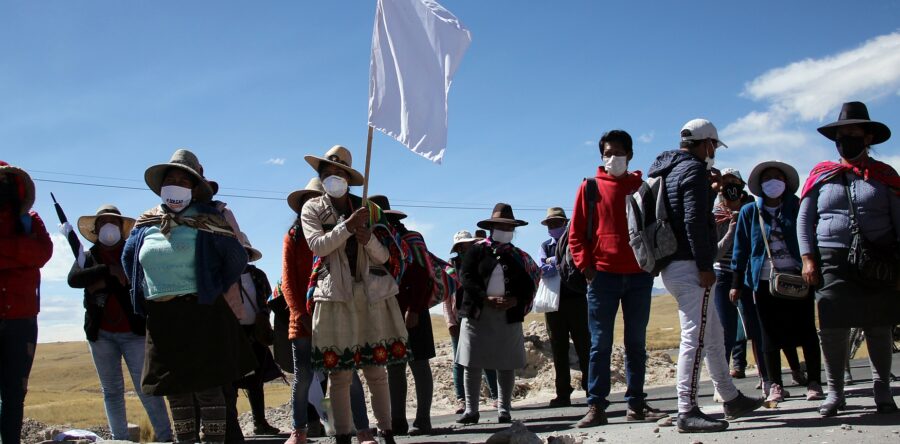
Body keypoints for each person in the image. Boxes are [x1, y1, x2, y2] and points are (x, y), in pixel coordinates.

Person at [123, 149, 255, 443]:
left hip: (202, 313)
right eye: (170, 179)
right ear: (160, 187)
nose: (176, 184)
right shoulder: (145, 223)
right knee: (176, 391)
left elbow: (236, 259)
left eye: (184, 180)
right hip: (163, 318)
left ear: (194, 188)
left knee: (209, 390)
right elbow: (128, 258)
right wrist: (145, 291)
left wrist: (212, 285)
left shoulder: (209, 218)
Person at [647, 120, 764, 433]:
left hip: (672, 264)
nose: (713, 151)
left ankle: (730, 396)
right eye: (713, 145)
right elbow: (695, 221)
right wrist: (703, 266)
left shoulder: (668, 169)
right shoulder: (694, 171)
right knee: (696, 338)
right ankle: (686, 409)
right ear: (707, 143)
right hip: (690, 265)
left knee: (712, 335)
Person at [300, 145, 411, 444]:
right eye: (327, 173)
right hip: (334, 297)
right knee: (340, 375)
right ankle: (343, 437)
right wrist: (347, 228)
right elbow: (318, 246)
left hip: (371, 296)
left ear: (348, 177)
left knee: (377, 371)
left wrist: (370, 240)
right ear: (321, 177)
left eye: (339, 172)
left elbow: (387, 257)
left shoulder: (370, 210)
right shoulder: (311, 209)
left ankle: (387, 432)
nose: (333, 177)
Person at [799, 101, 900, 416]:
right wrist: (807, 259)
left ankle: (882, 391)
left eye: (853, 134)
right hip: (833, 259)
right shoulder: (822, 175)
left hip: (878, 259)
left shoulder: (884, 176)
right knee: (832, 327)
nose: (846, 140)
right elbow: (805, 220)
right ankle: (835, 392)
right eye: (842, 135)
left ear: (867, 137)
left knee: (879, 326)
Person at [569, 130, 666, 427]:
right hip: (603, 278)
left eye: (618, 153)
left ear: (630, 155)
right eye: (607, 153)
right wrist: (587, 267)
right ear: (601, 156)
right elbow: (576, 234)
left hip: (639, 276)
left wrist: (654, 265)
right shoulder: (590, 187)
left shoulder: (642, 187)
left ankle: (636, 403)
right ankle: (596, 406)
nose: (613, 158)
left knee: (636, 343)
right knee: (600, 344)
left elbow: (656, 227)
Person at [66, 205, 172, 441]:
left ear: (121, 228)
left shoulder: (133, 253)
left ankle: (165, 437)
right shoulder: (89, 256)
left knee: (147, 388)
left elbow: (132, 285)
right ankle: (118, 439)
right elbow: (74, 280)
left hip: (133, 332)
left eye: (112, 221)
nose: (108, 227)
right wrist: (108, 270)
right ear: (97, 228)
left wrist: (102, 280)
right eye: (103, 222)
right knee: (111, 391)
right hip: (101, 334)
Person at [730, 161, 823, 403]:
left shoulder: (798, 207)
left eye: (777, 176)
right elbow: (741, 249)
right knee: (769, 334)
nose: (773, 181)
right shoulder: (749, 212)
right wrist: (737, 282)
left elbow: (811, 237)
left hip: (798, 277)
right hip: (764, 281)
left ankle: (814, 382)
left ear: (786, 182)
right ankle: (775, 385)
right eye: (767, 177)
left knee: (806, 330)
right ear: (760, 185)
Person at [456, 203, 540, 425]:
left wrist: (515, 300)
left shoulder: (520, 257)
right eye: (501, 225)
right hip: (477, 314)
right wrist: (485, 298)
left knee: (506, 363)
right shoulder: (476, 251)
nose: (506, 229)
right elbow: (466, 277)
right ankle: (471, 410)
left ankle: (504, 408)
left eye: (509, 226)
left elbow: (529, 285)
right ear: (492, 226)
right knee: (471, 362)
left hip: (507, 315)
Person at [370, 195, 436, 436]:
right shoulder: (375, 242)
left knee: (419, 365)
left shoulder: (410, 240)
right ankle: (397, 420)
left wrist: (415, 308)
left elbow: (424, 276)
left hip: (413, 311)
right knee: (395, 367)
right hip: (388, 312)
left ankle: (423, 420)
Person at [0, 161, 53, 444]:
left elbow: (43, 253)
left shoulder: (31, 219)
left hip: (22, 319)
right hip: (22, 315)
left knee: (14, 393)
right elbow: (31, 255)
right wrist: (20, 257)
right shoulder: (28, 227)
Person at [711, 169, 766, 388]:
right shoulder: (714, 212)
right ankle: (723, 383)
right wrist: (732, 227)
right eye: (726, 183)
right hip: (723, 274)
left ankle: (766, 377)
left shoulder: (753, 209)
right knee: (726, 329)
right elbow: (716, 251)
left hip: (748, 273)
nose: (731, 187)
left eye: (735, 183)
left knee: (756, 326)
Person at [538, 207, 590, 409]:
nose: (553, 227)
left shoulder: (574, 241)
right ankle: (562, 392)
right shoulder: (545, 245)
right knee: (558, 349)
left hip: (576, 299)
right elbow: (544, 268)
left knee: (584, 346)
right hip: (554, 303)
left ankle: (590, 389)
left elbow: (575, 263)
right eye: (550, 224)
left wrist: (555, 263)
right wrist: (558, 263)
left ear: (565, 223)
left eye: (557, 223)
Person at [446, 230, 499, 415]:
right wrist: (449, 321)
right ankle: (462, 400)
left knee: (487, 355)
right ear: (459, 247)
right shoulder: (451, 268)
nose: (466, 247)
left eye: (469, 244)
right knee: (459, 360)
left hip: (479, 314)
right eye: (463, 245)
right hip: (459, 316)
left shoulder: (480, 262)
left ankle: (496, 396)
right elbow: (447, 296)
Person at [233, 233, 282, 436]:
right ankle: (232, 426)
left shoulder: (258, 275)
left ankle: (260, 423)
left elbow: (268, 300)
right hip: (233, 335)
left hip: (256, 332)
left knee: (256, 382)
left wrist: (261, 322)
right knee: (231, 382)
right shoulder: (224, 276)